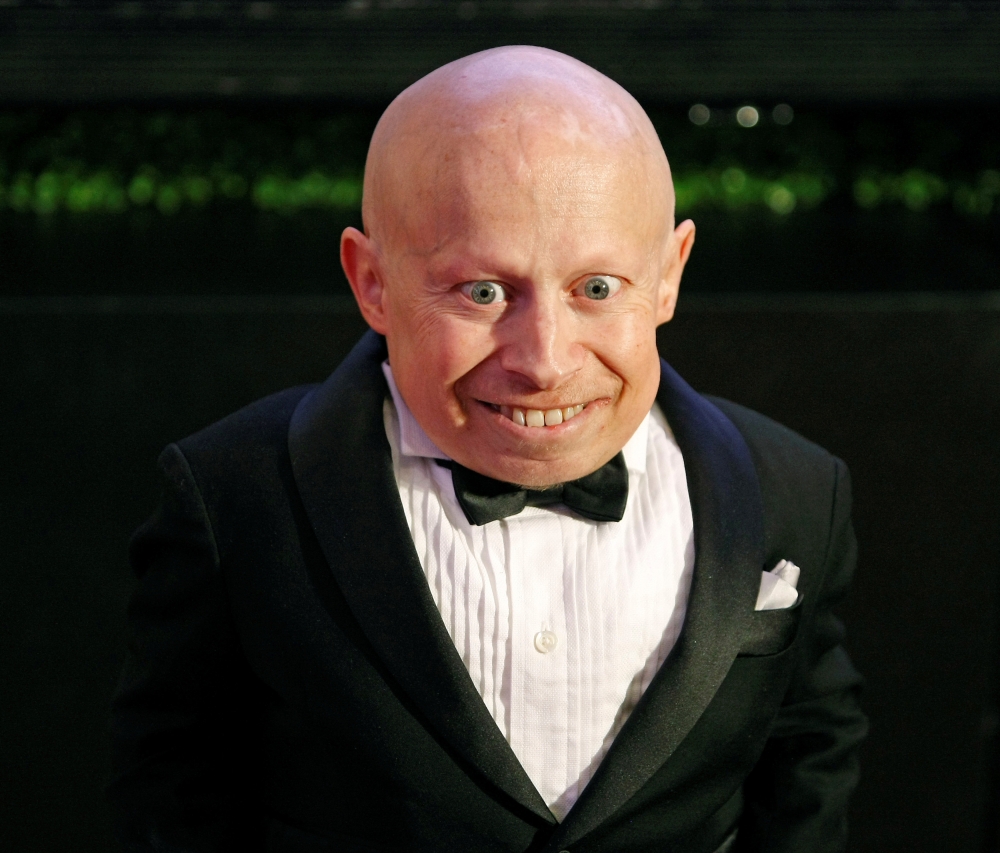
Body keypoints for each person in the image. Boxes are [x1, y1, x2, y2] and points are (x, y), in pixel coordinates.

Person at [110, 46, 867, 853]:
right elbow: (175, 793)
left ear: (671, 274)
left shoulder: (794, 492)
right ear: (371, 282)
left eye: (597, 289)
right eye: (483, 292)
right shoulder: (235, 497)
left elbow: (808, 759)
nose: (543, 360)